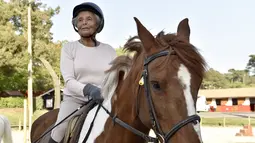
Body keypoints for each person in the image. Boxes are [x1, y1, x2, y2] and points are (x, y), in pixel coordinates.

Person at [49, 2, 117, 143]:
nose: (84, 23)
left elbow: (116, 79)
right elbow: (69, 80)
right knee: (60, 129)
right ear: (76, 25)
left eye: (89, 19)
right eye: (80, 20)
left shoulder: (109, 50)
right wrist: (89, 89)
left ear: (98, 24)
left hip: (105, 100)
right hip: (75, 99)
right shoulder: (69, 48)